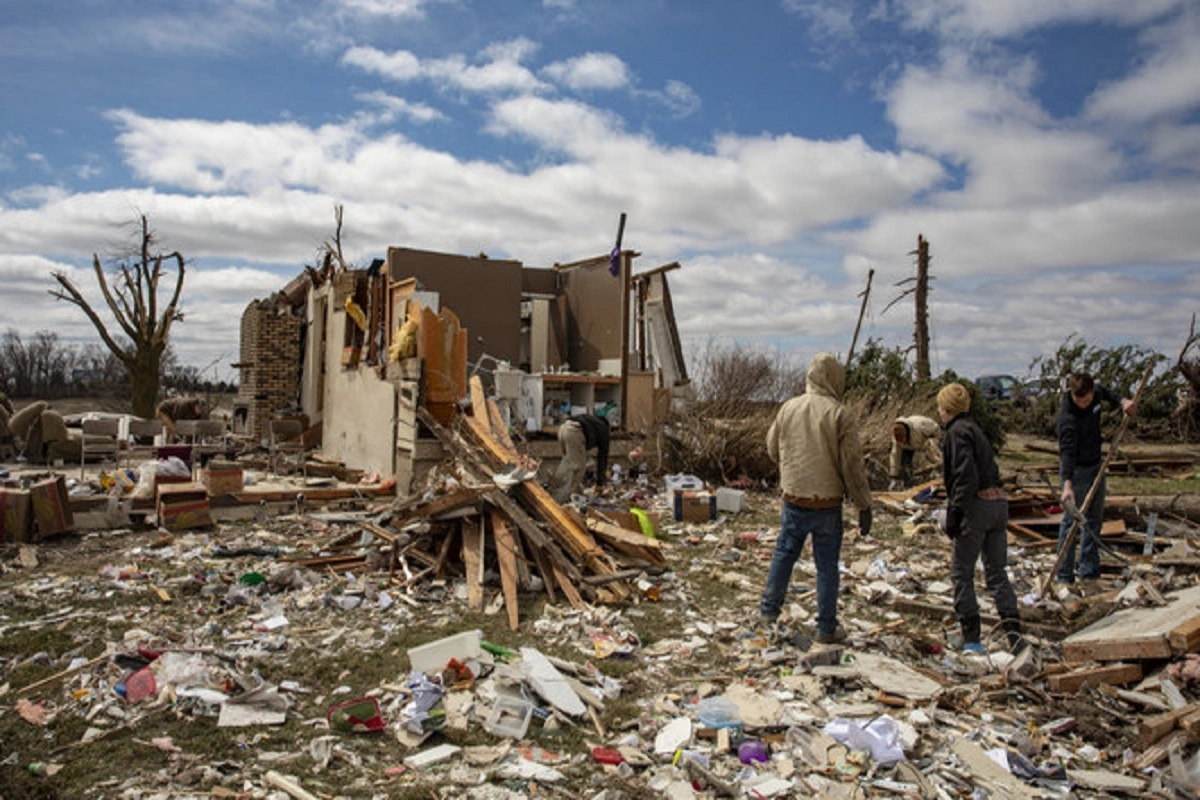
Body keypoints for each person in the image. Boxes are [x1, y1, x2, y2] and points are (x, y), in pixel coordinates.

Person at [759, 352, 872, 645]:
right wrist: (863, 504)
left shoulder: (788, 408)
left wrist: (792, 469)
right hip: (827, 503)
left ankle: (768, 612)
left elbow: (772, 448)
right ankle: (825, 627)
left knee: (784, 554)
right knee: (826, 566)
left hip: (794, 497)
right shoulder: (839, 413)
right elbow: (852, 465)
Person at [937, 381, 1022, 654]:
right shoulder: (975, 429)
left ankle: (971, 637)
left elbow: (965, 475)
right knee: (996, 573)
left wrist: (955, 511)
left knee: (961, 572)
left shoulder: (956, 432)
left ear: (946, 407)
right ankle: (1014, 635)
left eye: (940, 406)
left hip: (978, 507)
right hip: (999, 504)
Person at [1055, 372, 1136, 583]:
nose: (1083, 403)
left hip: (1096, 465)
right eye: (1079, 400)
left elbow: (1107, 393)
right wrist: (1067, 485)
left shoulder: (1096, 393)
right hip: (1077, 472)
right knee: (1071, 523)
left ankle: (1089, 572)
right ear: (1072, 394)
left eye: (1088, 400)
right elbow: (1066, 454)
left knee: (1094, 520)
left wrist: (1123, 401)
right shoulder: (1067, 420)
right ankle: (1064, 576)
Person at [549, 413, 610, 503]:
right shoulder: (604, 430)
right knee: (577, 470)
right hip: (574, 432)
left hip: (563, 429)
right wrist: (600, 483)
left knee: (566, 465)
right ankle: (561, 501)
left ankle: (552, 489)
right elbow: (602, 458)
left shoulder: (592, 422)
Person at [888, 414, 942, 489]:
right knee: (905, 463)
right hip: (913, 445)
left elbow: (936, 430)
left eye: (902, 441)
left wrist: (935, 443)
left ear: (905, 435)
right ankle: (909, 482)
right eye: (900, 442)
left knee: (935, 457)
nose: (901, 444)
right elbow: (895, 455)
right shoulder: (896, 439)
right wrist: (894, 476)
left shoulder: (919, 426)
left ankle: (942, 470)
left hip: (929, 439)